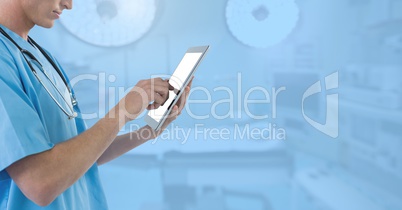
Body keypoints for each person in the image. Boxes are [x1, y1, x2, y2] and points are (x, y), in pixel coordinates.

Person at [0, 0, 191, 209]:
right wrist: (122, 112)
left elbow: (80, 157)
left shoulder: (44, 58)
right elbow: (39, 181)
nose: (68, 5)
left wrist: (149, 131)